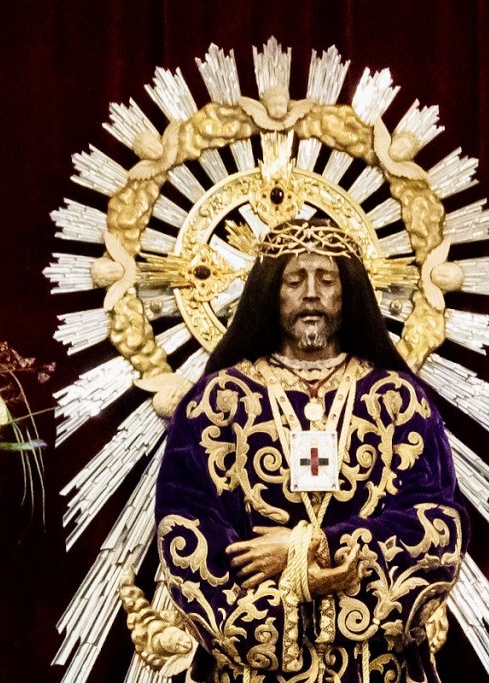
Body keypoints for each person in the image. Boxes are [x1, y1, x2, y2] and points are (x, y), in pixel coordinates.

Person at [155, 217, 467, 683]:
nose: (311, 293)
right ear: (269, 292)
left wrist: (309, 549)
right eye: (294, 279)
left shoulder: (399, 401)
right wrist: (290, 597)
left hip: (373, 665)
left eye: (327, 279)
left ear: (350, 293)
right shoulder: (217, 404)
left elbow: (433, 524)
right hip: (254, 671)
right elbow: (187, 528)